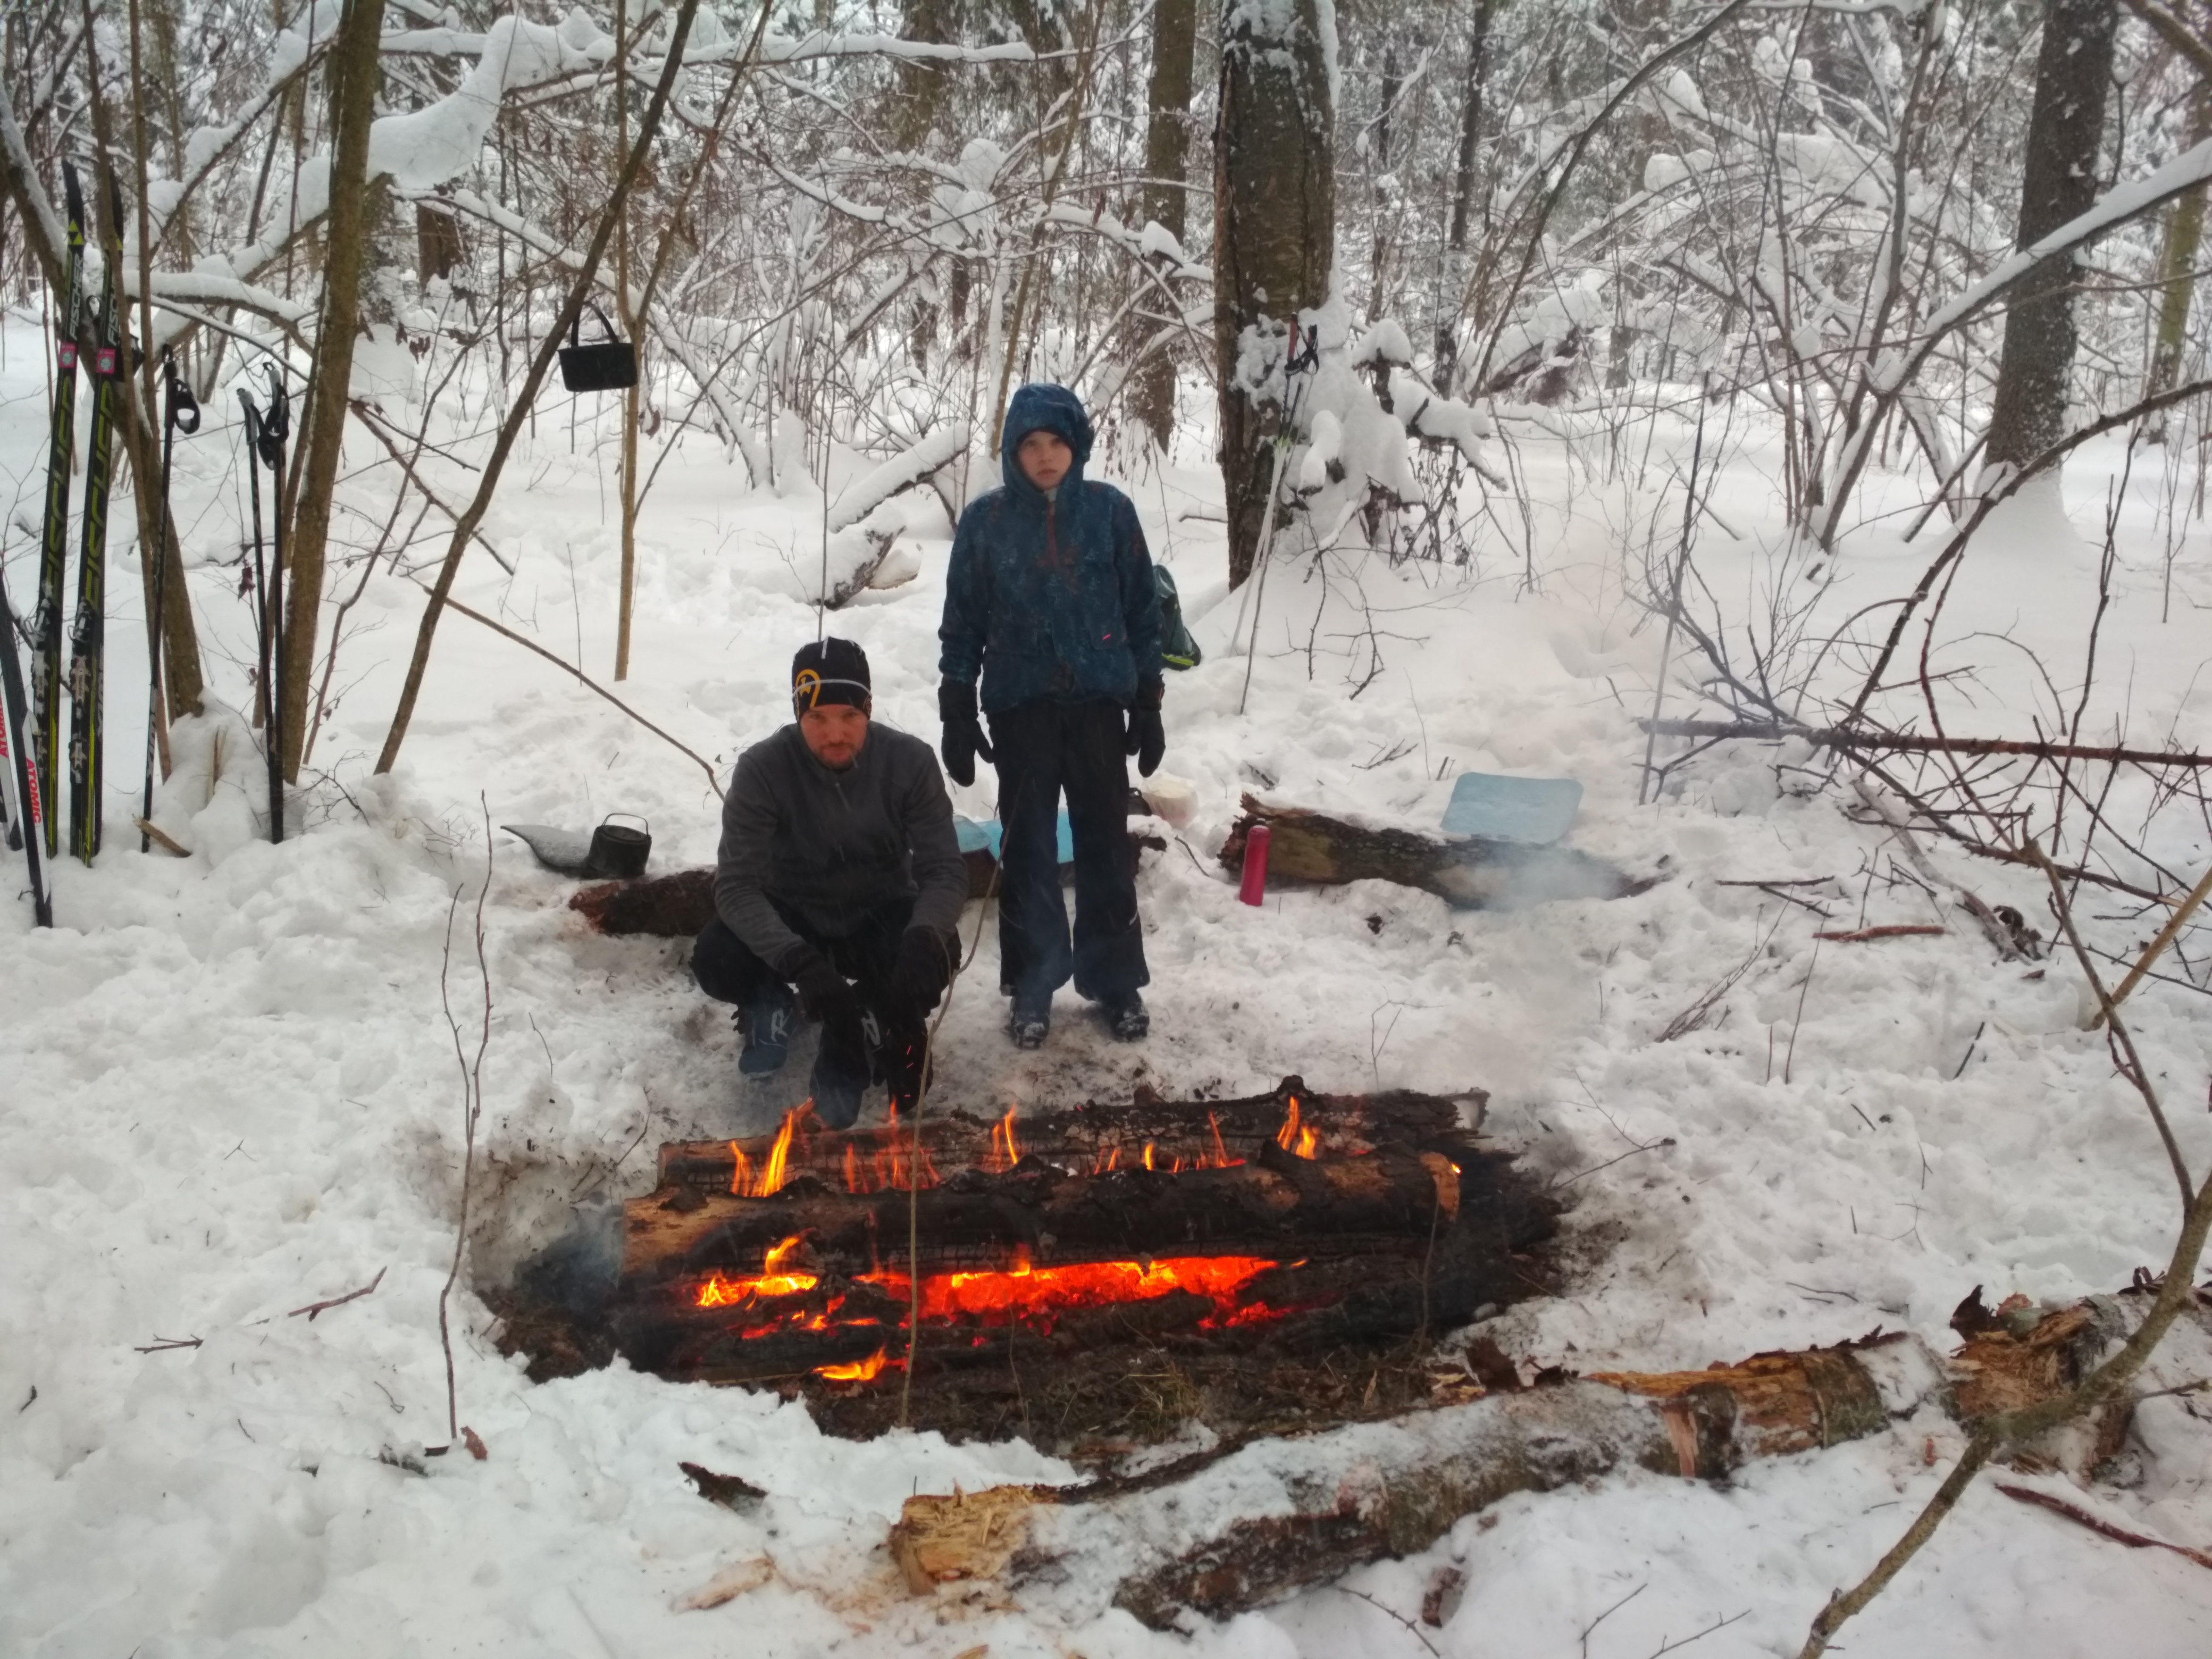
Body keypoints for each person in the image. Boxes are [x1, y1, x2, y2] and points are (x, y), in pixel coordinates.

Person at [937, 382, 1165, 1050]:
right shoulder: (985, 522)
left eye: (1056, 442)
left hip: (1097, 706)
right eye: (1030, 444)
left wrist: (1147, 700)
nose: (1044, 456)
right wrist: (956, 704)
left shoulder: (1109, 512)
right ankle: (1032, 983)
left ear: (1077, 446)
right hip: (1022, 710)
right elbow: (962, 622)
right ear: (1012, 451)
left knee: (1105, 846)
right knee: (1029, 849)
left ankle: (1114, 980)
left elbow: (1141, 611)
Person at [693, 637, 968, 1128]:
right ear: (798, 715)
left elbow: (944, 870)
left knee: (938, 950)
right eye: (817, 718)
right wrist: (800, 962)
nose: (835, 734)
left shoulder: (909, 762)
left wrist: (919, 950)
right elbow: (736, 886)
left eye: (849, 716)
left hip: (878, 914)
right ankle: (773, 1006)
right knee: (717, 956)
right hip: (794, 916)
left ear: (869, 709)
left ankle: (875, 1014)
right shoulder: (763, 769)